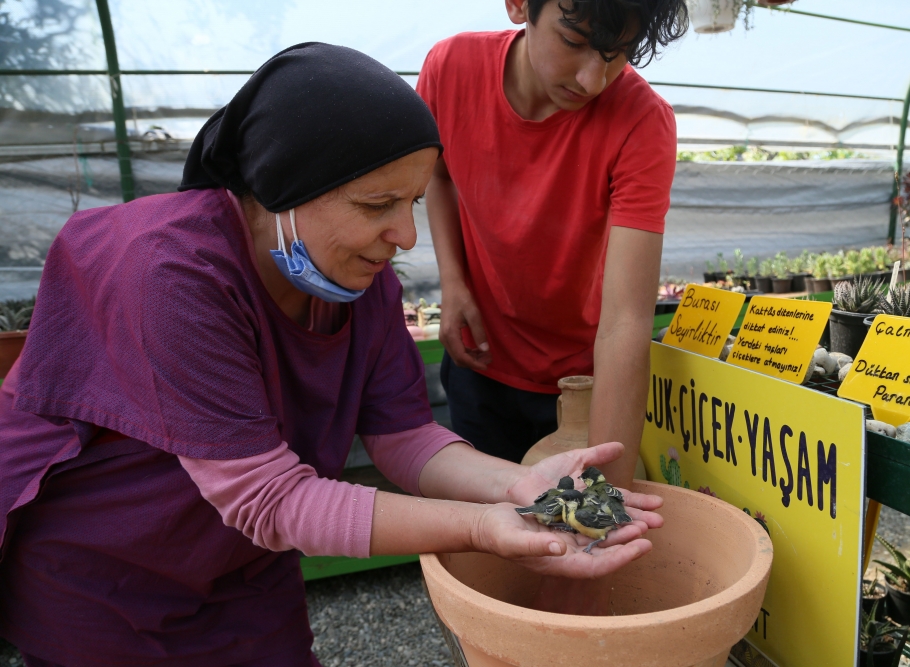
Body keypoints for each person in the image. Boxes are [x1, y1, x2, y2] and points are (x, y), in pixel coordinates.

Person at [0, 43, 664, 667]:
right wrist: (487, 527)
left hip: (241, 566)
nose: (404, 235)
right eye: (378, 203)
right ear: (280, 187)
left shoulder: (357, 282)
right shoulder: (170, 273)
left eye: (412, 201)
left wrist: (519, 487)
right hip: (107, 575)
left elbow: (406, 437)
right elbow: (267, 499)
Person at [418, 0, 686, 488]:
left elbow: (627, 321)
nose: (592, 80)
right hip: (481, 361)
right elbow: (437, 173)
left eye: (616, 53)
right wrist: (453, 283)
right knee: (490, 537)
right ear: (520, 5)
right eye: (574, 42)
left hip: (583, 386)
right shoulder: (450, 69)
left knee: (577, 528)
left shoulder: (642, 121)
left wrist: (611, 497)